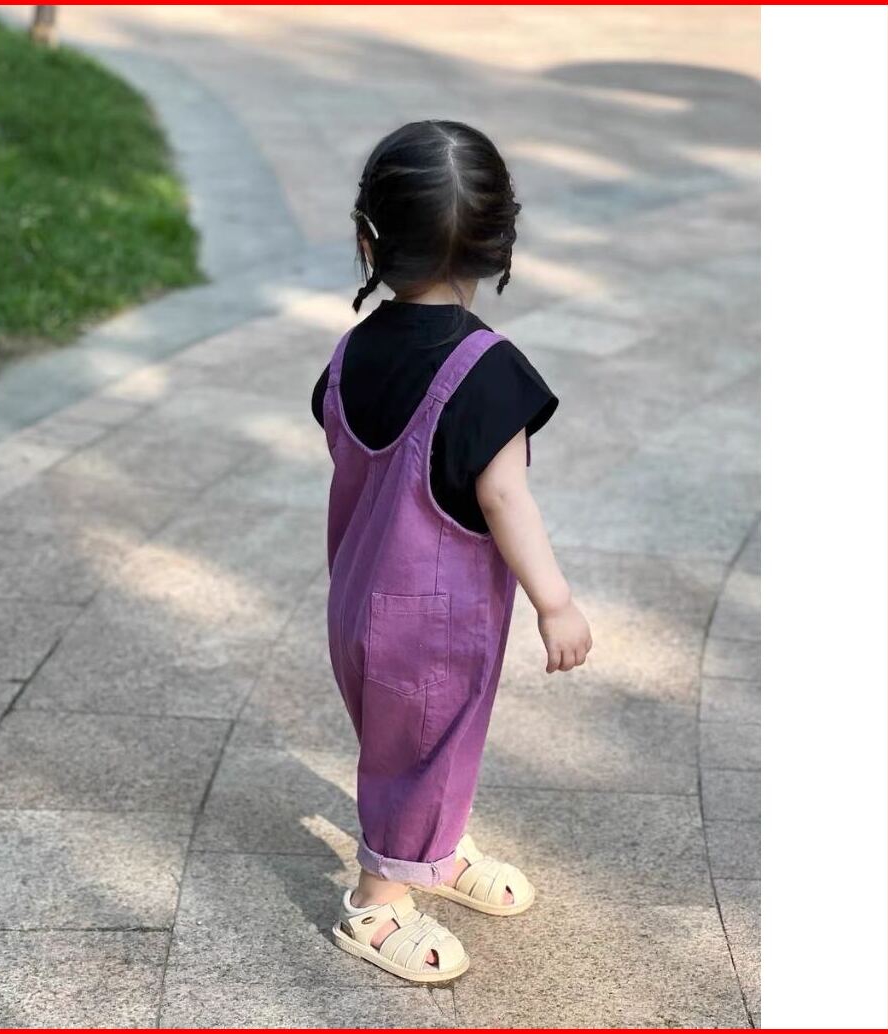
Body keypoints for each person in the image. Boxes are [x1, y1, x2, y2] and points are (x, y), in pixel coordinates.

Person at [311, 120, 592, 983]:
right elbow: (505, 497)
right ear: (500, 243)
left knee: (415, 745)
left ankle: (434, 848)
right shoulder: (488, 373)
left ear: (368, 238)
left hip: (359, 600)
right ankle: (377, 901)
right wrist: (554, 602)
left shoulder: (351, 350)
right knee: (421, 746)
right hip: (433, 622)